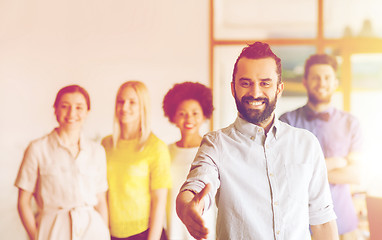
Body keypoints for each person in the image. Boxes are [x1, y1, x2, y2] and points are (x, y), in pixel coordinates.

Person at [176, 42, 339, 240]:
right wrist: (186, 208)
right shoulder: (216, 144)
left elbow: (322, 221)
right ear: (233, 88)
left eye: (265, 83)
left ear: (279, 88)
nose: (255, 93)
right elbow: (196, 184)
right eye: (245, 83)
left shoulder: (306, 144)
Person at [280, 54, 362, 240]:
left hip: (344, 224)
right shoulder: (287, 122)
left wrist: (306, 171)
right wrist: (335, 162)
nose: (321, 82)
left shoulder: (351, 123)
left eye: (327, 78)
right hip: (298, 225)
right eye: (315, 77)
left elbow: (355, 175)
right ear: (305, 81)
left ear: (335, 83)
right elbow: (286, 174)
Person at [15, 85, 110, 240]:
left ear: (87, 112)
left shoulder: (97, 151)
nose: (72, 113)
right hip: (53, 230)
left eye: (79, 107)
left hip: (92, 230)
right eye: (65, 106)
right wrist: (36, 236)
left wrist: (104, 232)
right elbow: (23, 202)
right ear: (55, 110)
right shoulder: (37, 149)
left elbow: (101, 201)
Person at [102, 81, 172, 240]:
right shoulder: (105, 144)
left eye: (132, 102)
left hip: (145, 233)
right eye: (121, 101)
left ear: (143, 107)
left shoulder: (156, 147)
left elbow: (159, 201)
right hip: (110, 233)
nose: (124, 107)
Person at [162, 82, 216, 240]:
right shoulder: (165, 151)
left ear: (204, 115)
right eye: (182, 113)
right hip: (172, 225)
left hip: (203, 225)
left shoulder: (211, 149)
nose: (189, 119)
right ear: (173, 116)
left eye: (195, 113)